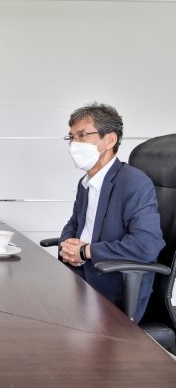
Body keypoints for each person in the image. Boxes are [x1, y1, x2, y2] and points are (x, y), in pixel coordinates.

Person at [59, 103, 165, 323]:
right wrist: (67, 247)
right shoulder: (86, 182)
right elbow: (74, 224)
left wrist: (85, 251)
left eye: (82, 135)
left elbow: (146, 245)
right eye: (71, 137)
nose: (74, 144)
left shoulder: (134, 182)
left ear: (109, 140)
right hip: (80, 279)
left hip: (114, 288)